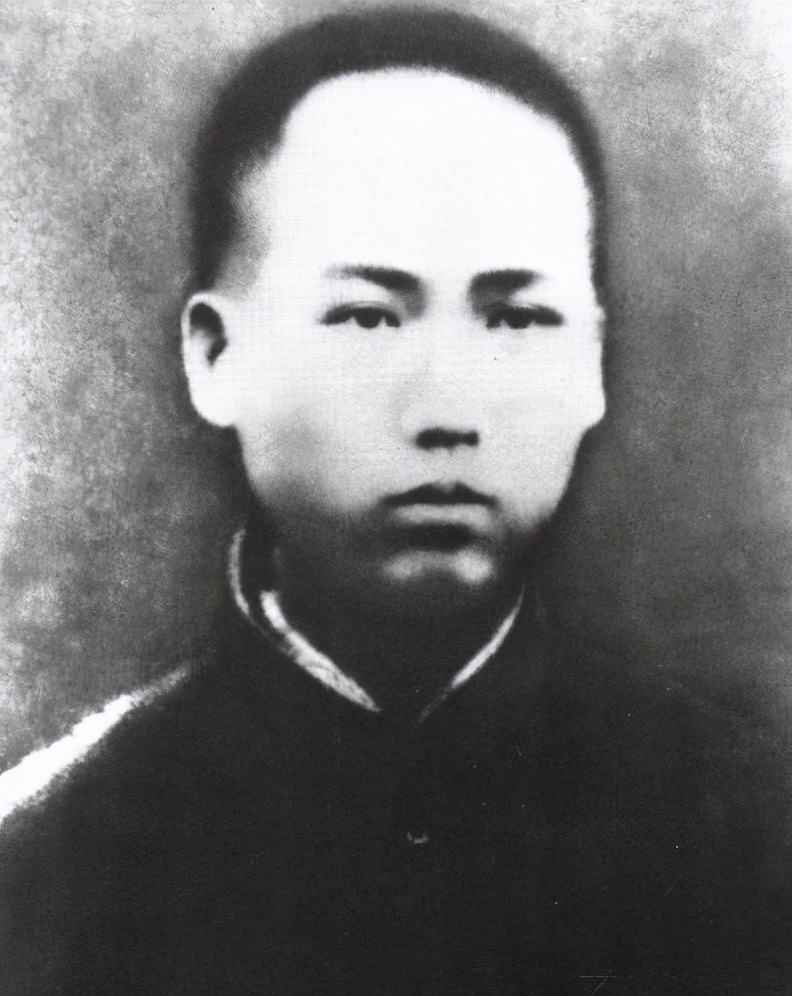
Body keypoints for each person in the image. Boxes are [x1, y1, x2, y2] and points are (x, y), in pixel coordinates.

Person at [1, 8, 789, 994]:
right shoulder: (43, 867)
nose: (446, 410)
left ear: (591, 362)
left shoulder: (754, 833)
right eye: (368, 317)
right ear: (216, 356)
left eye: (517, 318)